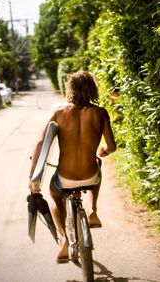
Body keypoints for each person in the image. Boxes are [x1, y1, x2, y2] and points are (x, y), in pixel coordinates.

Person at [29, 71, 116, 263]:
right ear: (93, 89)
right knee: (97, 163)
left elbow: (40, 142)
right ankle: (93, 211)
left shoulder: (59, 112)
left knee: (54, 194)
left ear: (70, 89)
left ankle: (64, 241)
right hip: (90, 175)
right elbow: (112, 146)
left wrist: (33, 178)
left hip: (65, 178)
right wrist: (103, 150)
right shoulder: (101, 113)